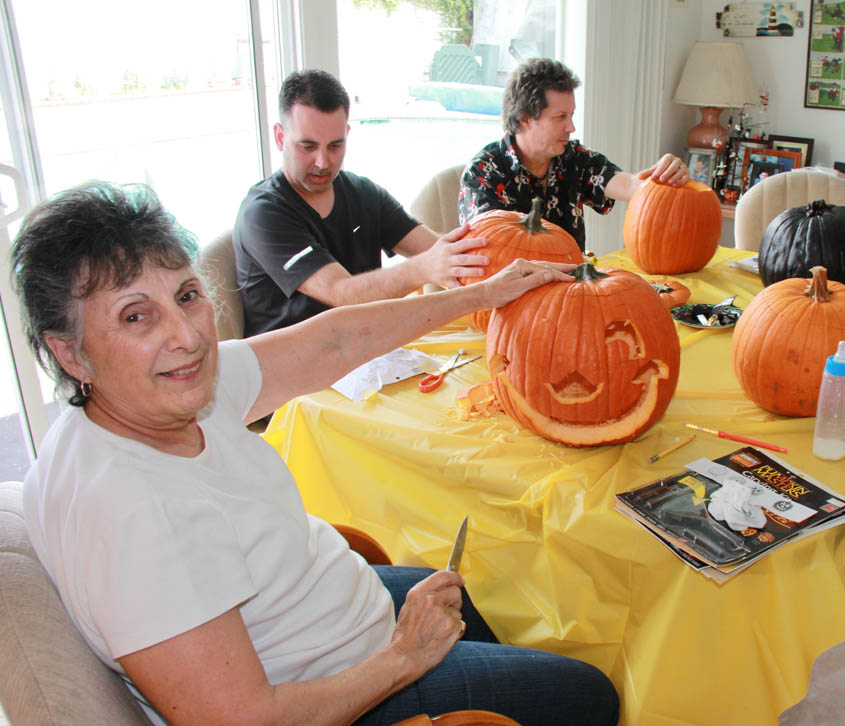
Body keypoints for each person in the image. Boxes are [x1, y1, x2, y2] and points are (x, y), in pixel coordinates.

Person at [12, 181, 619, 726]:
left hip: (327, 609)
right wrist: (404, 658)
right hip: (337, 692)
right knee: (589, 696)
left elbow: (333, 341)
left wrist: (479, 294)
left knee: (463, 600)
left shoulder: (152, 400)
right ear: (69, 354)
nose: (188, 336)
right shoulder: (136, 518)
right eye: (136, 316)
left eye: (188, 295)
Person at [234, 69, 491, 337]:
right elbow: (340, 293)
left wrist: (512, 257)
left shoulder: (363, 192)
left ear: (347, 134)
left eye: (335, 146)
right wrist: (424, 268)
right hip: (292, 369)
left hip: (362, 353)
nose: (323, 162)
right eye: (307, 146)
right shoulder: (263, 214)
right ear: (279, 137)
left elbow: (439, 249)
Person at [459, 58, 691, 252]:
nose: (571, 127)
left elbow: (629, 185)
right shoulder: (482, 173)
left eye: (571, 115)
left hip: (571, 290)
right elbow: (489, 257)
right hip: (512, 297)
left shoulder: (574, 157)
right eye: (560, 117)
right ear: (525, 119)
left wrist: (663, 178)